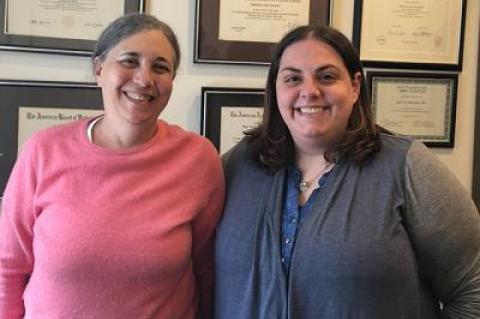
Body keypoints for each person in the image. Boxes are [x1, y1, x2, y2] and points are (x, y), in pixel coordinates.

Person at [214, 25, 480, 318]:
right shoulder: (238, 165)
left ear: (354, 87)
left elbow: (473, 286)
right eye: (292, 78)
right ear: (275, 88)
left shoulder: (406, 166)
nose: (310, 91)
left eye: (327, 76)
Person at [0, 13, 224, 319]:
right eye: (129, 61)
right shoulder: (43, 151)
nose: (144, 79)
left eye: (160, 67)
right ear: (99, 69)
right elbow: (8, 267)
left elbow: (209, 270)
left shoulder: (198, 159)